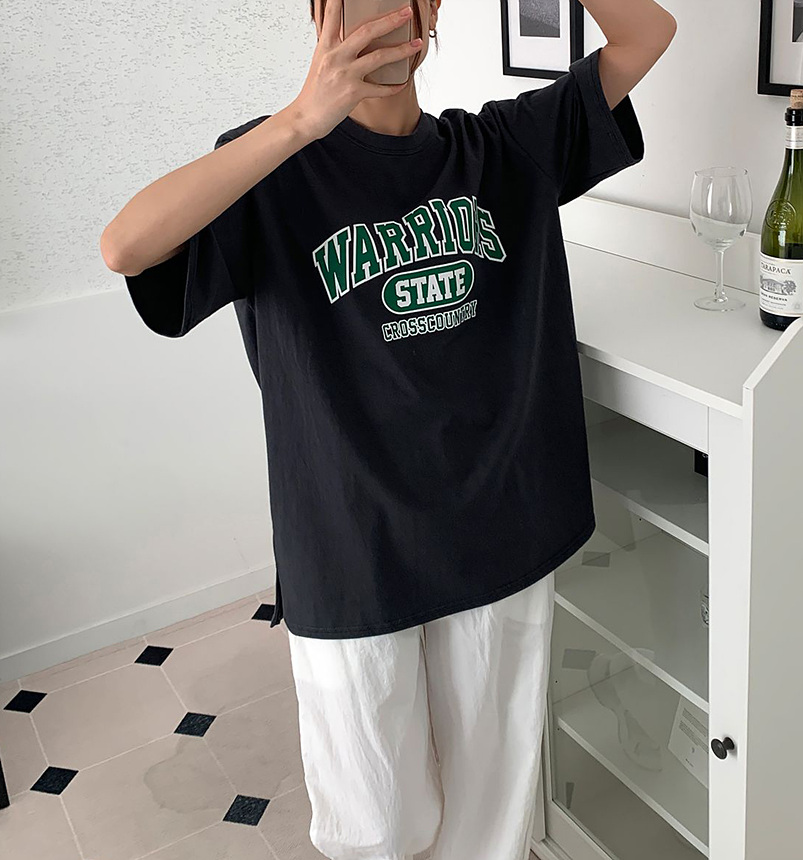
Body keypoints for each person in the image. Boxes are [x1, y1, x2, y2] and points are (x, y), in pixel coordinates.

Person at [100, 0, 676, 857]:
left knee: (492, 808)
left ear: (431, 11)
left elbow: (647, 35)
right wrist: (301, 120)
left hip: (499, 530)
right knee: (373, 820)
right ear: (319, 17)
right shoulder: (271, 168)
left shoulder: (502, 147)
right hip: (352, 547)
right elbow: (125, 247)